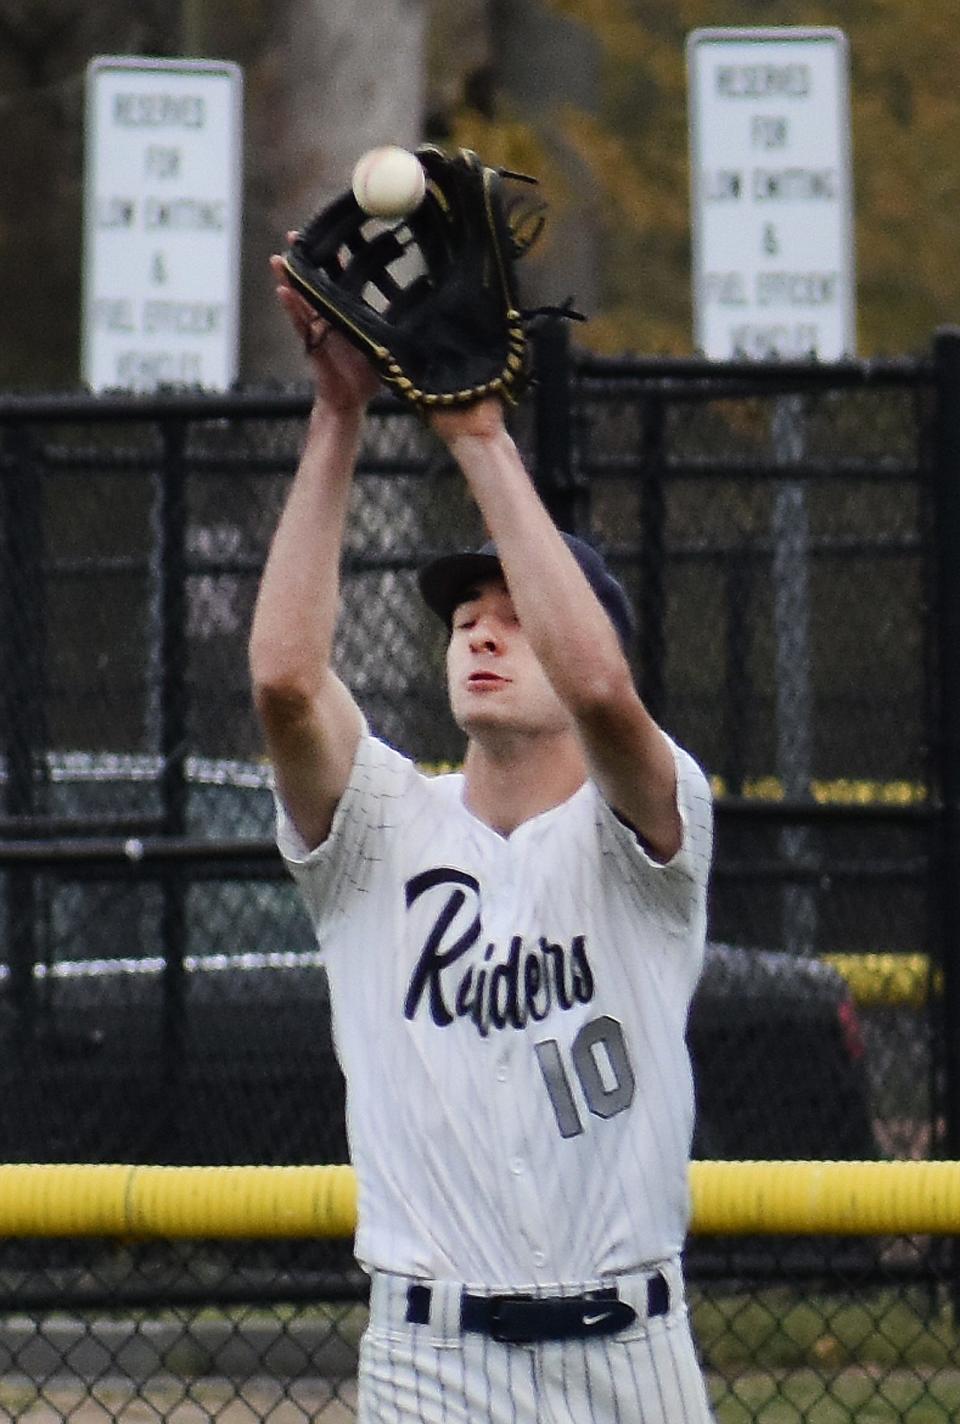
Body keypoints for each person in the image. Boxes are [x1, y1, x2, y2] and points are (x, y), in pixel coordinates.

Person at [249, 247, 716, 1424]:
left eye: (517, 615)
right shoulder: (380, 835)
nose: (484, 635)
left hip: (631, 1351)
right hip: (430, 1360)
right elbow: (285, 681)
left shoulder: (646, 836)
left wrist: (480, 440)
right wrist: (337, 413)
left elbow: (607, 696)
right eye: (467, 616)